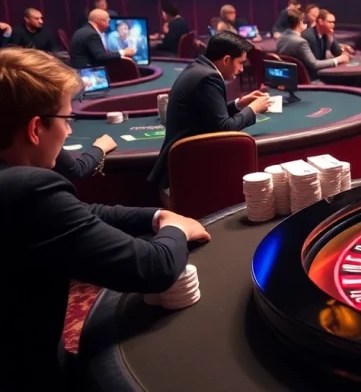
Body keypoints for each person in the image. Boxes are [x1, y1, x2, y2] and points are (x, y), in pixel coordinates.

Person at [0, 47, 210, 392]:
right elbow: (152, 269)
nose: (69, 132)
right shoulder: (27, 190)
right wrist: (176, 229)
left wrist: (157, 215)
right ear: (35, 128)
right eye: (67, 120)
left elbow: (79, 214)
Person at [147, 33, 272, 189]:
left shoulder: (199, 67)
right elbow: (225, 128)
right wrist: (253, 109)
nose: (241, 69)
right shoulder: (209, 78)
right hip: (188, 169)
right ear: (226, 60)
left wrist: (239, 104)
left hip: (183, 160)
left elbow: (211, 116)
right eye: (240, 63)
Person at [277, 8, 349, 78]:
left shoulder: (281, 38)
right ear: (300, 23)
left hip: (286, 77)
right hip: (305, 79)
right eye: (303, 21)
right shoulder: (302, 41)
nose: (333, 24)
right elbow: (314, 65)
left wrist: (331, 39)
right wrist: (337, 60)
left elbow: (337, 51)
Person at [69, 9, 135, 69]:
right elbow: (101, 57)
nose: (108, 25)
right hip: (87, 72)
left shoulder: (84, 30)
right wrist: (124, 52)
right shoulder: (92, 34)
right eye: (108, 22)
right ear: (100, 22)